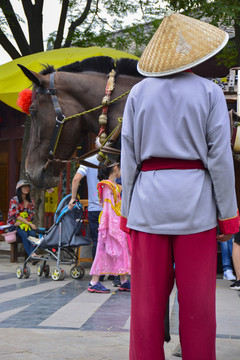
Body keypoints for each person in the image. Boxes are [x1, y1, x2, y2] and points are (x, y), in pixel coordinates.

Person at [120, 12, 239, 360]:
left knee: (145, 302)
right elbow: (220, 158)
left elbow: (129, 158)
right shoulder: (210, 92)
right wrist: (227, 214)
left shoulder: (138, 93)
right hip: (195, 204)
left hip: (147, 202)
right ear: (193, 54)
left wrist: (127, 210)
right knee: (198, 302)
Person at [88, 164, 131, 293]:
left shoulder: (112, 186)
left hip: (114, 223)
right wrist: (112, 227)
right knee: (103, 252)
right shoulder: (107, 186)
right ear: (115, 168)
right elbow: (108, 208)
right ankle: (93, 282)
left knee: (121, 251)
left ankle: (123, 281)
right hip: (109, 224)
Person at [68, 154, 102, 260]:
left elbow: (76, 179)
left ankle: (99, 274)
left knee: (97, 240)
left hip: (95, 208)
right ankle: (113, 274)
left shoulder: (88, 161)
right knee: (113, 241)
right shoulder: (115, 158)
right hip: (113, 208)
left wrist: (73, 198)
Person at [7, 180, 40, 258]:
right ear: (19, 189)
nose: (26, 188)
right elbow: (16, 215)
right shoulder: (14, 200)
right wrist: (29, 224)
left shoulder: (31, 201)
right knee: (24, 234)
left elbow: (31, 215)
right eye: (24, 187)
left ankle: (33, 254)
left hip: (26, 225)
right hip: (14, 225)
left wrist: (27, 223)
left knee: (32, 234)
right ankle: (32, 254)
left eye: (27, 187)